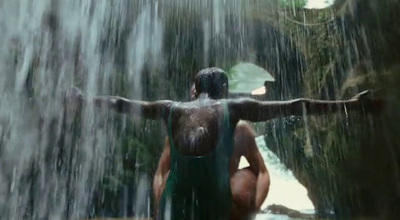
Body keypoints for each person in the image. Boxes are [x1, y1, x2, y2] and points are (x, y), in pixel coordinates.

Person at [65, 67, 383, 220]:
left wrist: (85, 100)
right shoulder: (233, 109)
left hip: (173, 208)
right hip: (214, 210)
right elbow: (296, 104)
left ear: (196, 88)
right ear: (224, 90)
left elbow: (122, 103)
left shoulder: (170, 109)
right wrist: (350, 106)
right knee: (243, 176)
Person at [152, 83, 270, 220]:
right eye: (196, 96)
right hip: (184, 202)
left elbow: (263, 173)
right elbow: (160, 173)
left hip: (223, 203)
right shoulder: (180, 131)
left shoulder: (240, 131)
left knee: (247, 177)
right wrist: (160, 205)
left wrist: (254, 208)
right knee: (168, 176)